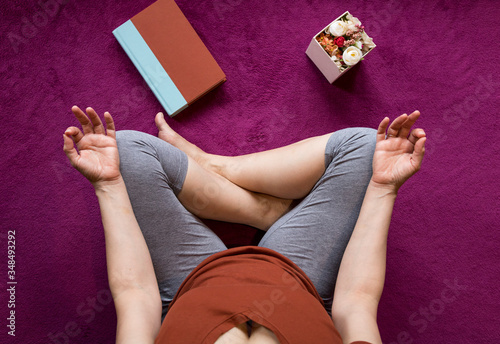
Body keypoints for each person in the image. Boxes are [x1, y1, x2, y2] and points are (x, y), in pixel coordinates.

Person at [63, 106, 426, 344]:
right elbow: (356, 301)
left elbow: (136, 296)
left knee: (124, 153)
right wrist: (383, 188)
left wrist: (107, 185)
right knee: (367, 149)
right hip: (299, 275)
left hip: (190, 280)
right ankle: (244, 194)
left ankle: (235, 187)